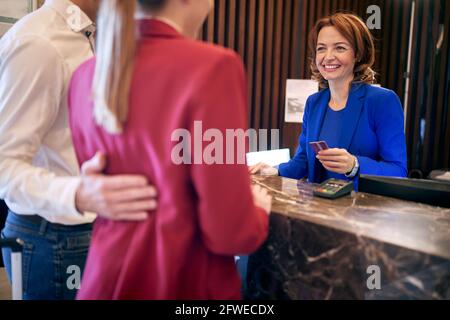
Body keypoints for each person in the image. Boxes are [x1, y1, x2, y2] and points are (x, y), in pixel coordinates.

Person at [68, 0, 271, 299]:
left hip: (104, 279)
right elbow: (231, 232)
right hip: (182, 281)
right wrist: (257, 211)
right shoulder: (214, 67)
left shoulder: (84, 75)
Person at [0, 0, 158, 300]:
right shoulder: (39, 43)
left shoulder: (94, 36)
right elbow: (3, 166)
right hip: (52, 238)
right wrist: (79, 194)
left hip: (88, 231)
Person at [250, 13, 407, 183]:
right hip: (319, 206)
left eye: (339, 48)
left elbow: (398, 171)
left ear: (358, 54)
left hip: (362, 207)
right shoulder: (314, 103)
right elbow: (303, 161)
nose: (328, 56)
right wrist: (274, 170)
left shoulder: (382, 101)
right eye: (321, 48)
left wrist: (354, 165)